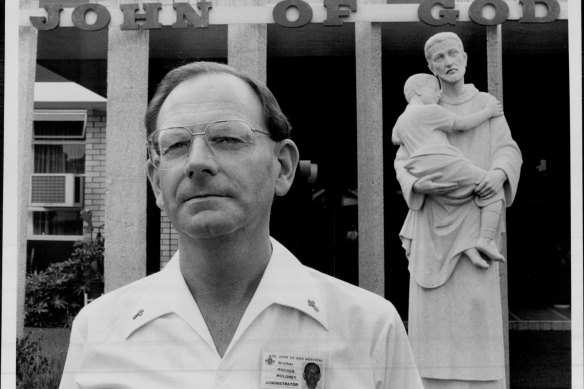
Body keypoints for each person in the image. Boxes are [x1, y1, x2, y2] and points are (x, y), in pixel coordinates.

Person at [59, 61, 423, 388]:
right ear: (156, 182)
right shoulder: (99, 331)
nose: (197, 163)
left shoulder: (370, 329)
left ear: (282, 167)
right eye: (176, 145)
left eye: (228, 139)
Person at [394, 32, 522, 389]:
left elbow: (508, 149)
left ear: (464, 58)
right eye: (439, 58)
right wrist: (416, 185)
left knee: (474, 308)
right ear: (430, 67)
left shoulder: (485, 103)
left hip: (474, 216)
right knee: (434, 312)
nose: (448, 61)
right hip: (433, 223)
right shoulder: (419, 111)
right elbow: (402, 160)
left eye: (453, 54)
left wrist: (499, 174)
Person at [392, 72, 506, 272]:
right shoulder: (431, 111)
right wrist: (488, 112)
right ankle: (486, 240)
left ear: (464, 57)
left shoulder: (401, 120)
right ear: (419, 91)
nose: (438, 95)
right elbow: (462, 124)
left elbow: (396, 139)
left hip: (421, 167)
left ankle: (466, 246)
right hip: (444, 161)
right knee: (492, 189)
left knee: (460, 199)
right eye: (434, 90)